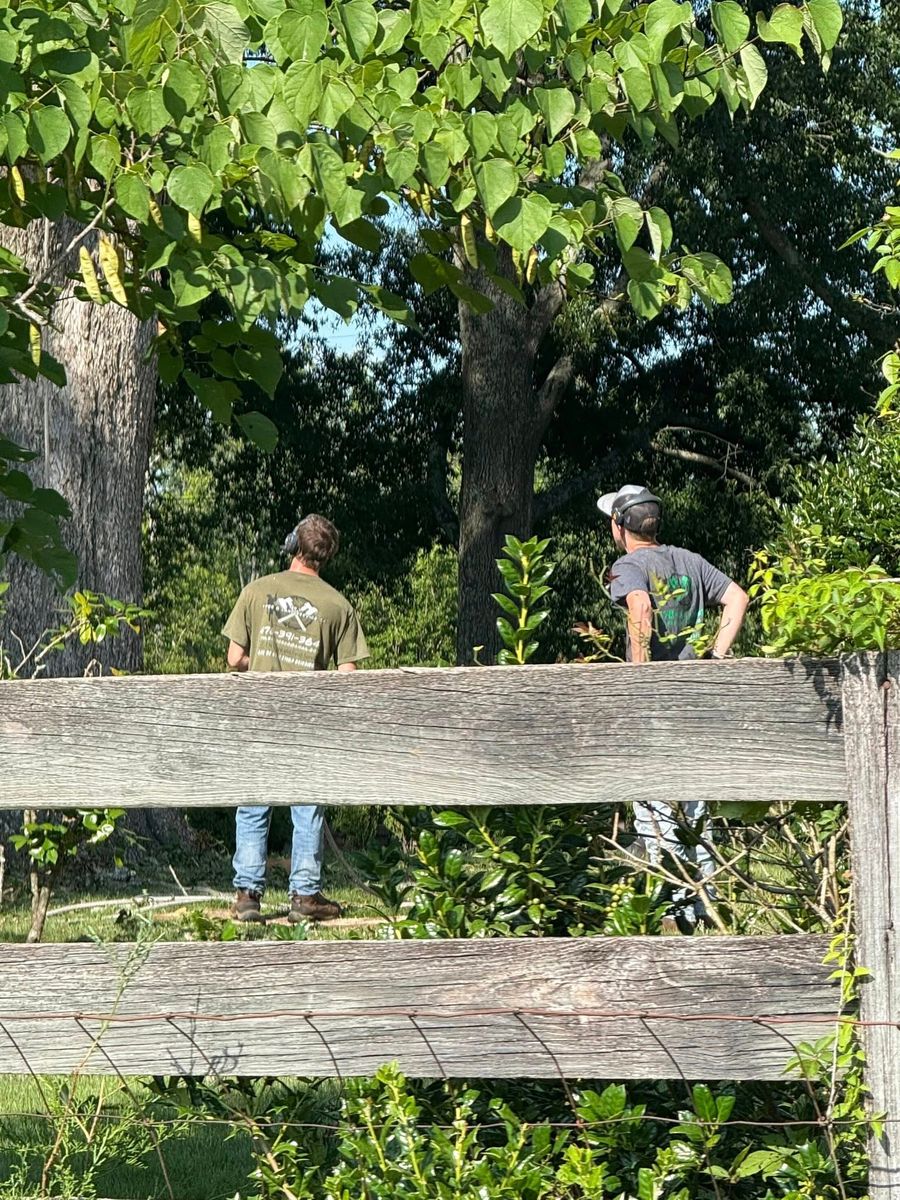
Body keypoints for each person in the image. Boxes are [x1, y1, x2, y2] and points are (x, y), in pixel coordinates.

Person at [597, 484, 750, 929]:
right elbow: (737, 598)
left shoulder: (627, 566)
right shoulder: (690, 561)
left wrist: (641, 679)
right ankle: (708, 908)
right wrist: (715, 659)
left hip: (656, 710)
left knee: (657, 817)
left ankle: (678, 914)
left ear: (619, 526)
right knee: (694, 810)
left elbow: (640, 608)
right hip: (695, 704)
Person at [222, 514, 369, 924]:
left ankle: (247, 896)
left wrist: (266, 664)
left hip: (259, 719)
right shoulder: (339, 606)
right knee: (307, 806)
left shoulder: (256, 591)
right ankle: (305, 897)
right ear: (326, 556)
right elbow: (348, 678)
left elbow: (235, 659)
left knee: (253, 804)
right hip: (308, 723)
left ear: (292, 546)